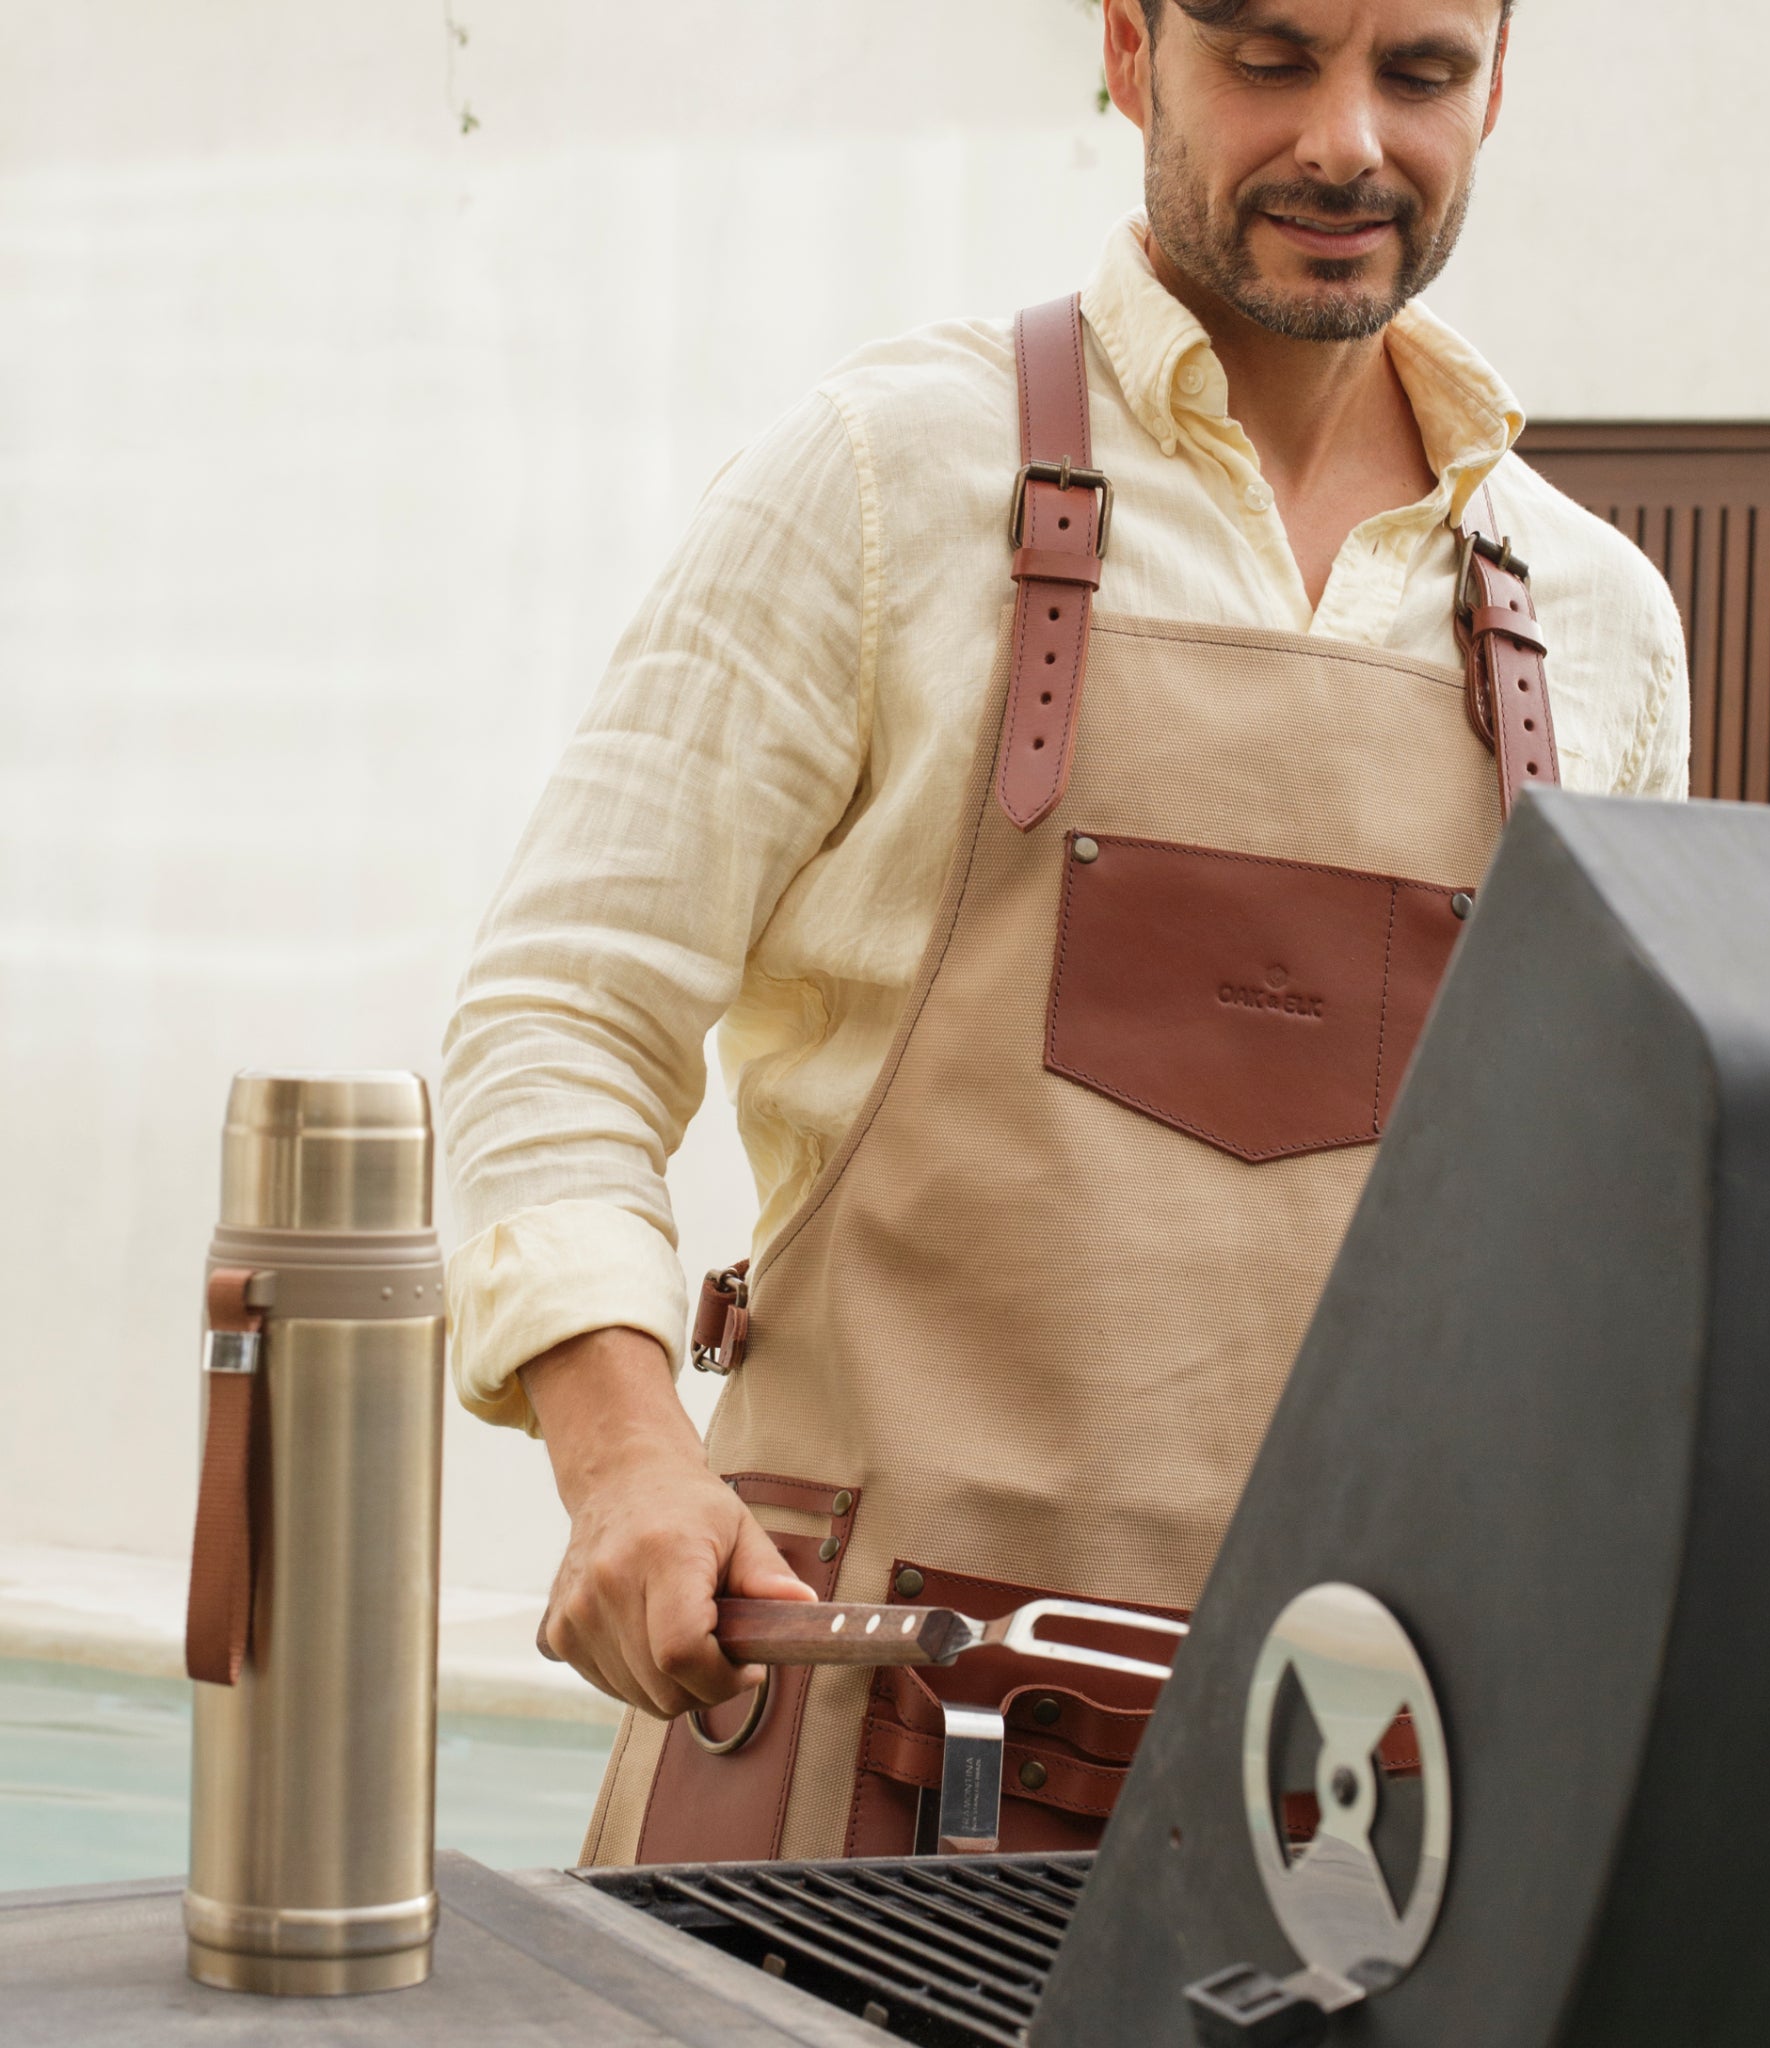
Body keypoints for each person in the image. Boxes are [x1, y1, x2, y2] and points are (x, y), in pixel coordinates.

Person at [441, 0, 1689, 1868]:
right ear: (1130, 50)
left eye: (1418, 72)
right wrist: (624, 1452)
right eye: (1271, 56)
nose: (1348, 140)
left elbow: (1598, 1224)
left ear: (1497, 80)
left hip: (1346, 1814)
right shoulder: (879, 483)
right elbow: (562, 1008)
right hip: (854, 1744)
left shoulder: (1600, 623)